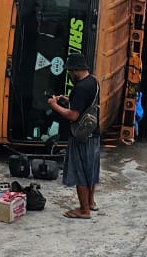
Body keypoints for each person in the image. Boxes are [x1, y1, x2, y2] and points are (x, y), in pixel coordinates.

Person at [46, 53, 101, 220]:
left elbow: (73, 115)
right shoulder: (93, 81)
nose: (69, 74)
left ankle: (84, 210)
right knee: (90, 170)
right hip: (94, 134)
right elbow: (84, 102)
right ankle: (91, 202)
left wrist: (55, 106)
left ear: (75, 70)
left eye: (69, 71)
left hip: (81, 137)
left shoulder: (80, 87)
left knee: (80, 173)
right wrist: (68, 99)